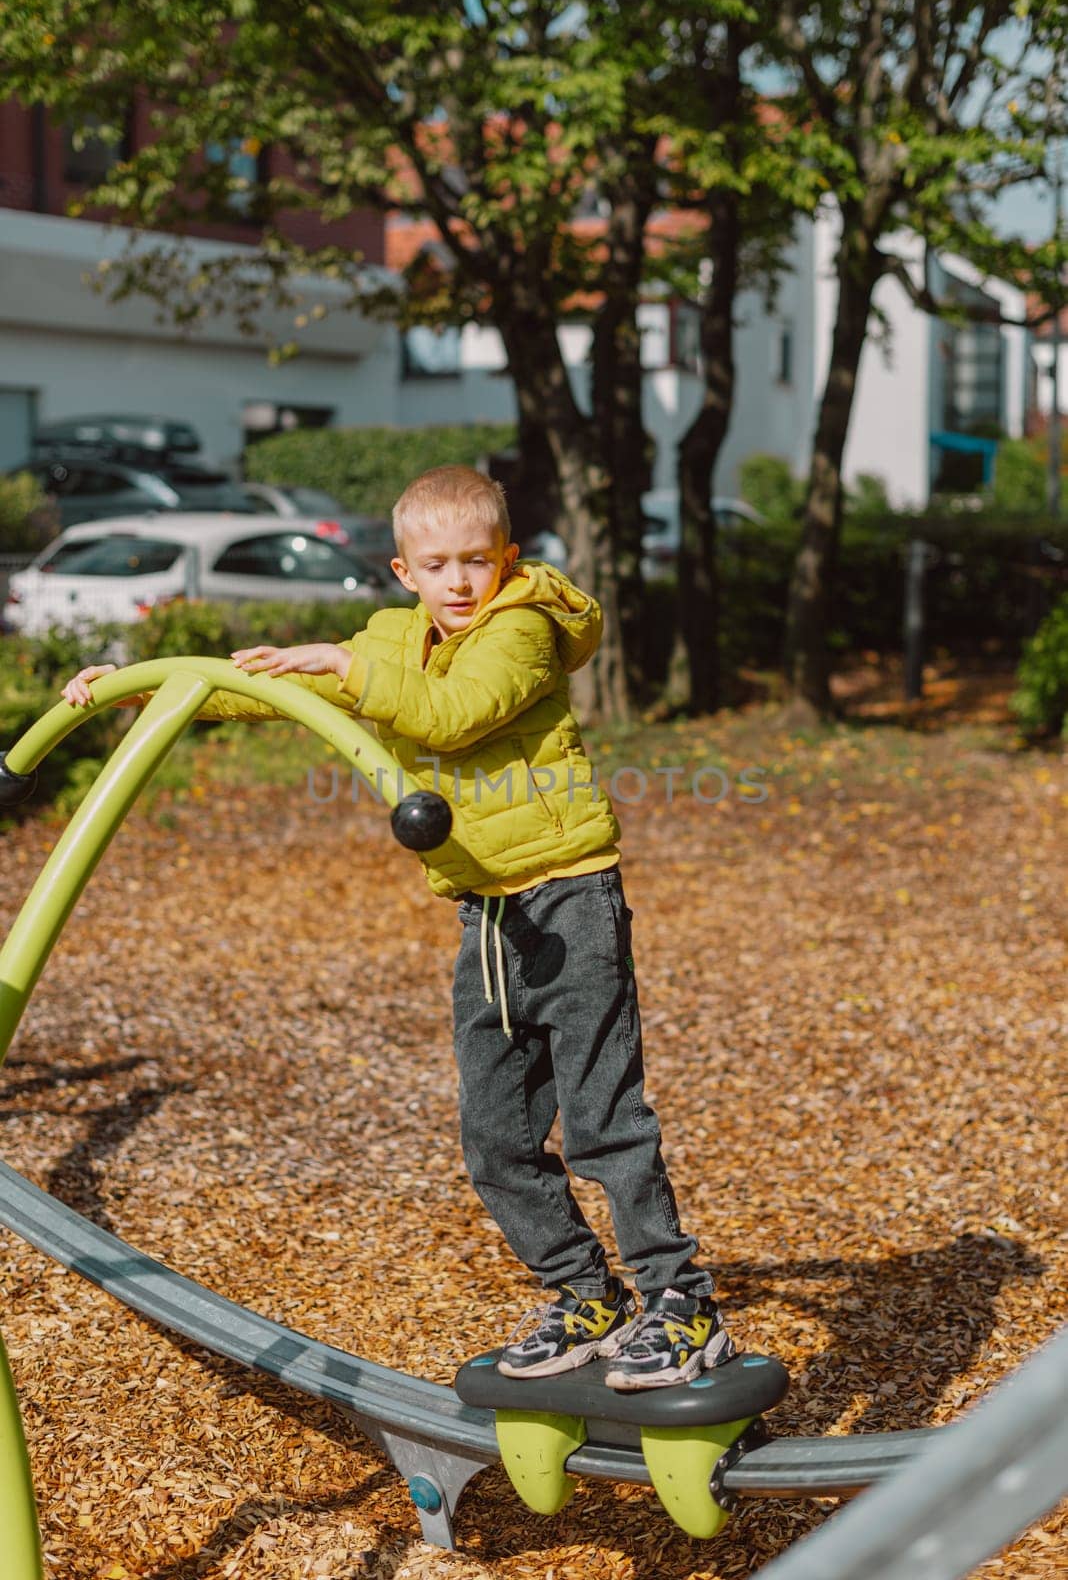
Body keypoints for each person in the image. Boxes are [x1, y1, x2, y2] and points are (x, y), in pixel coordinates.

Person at [61, 464, 735, 1390]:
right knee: (495, 1137)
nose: (459, 581)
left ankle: (681, 1304)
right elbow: (274, 691)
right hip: (487, 915)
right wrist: (146, 691)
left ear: (508, 560)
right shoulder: (394, 641)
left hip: (569, 900)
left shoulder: (523, 630)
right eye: (437, 565)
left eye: (476, 561)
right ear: (402, 572)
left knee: (602, 1124)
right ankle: (584, 1294)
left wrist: (350, 669)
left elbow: (454, 719)